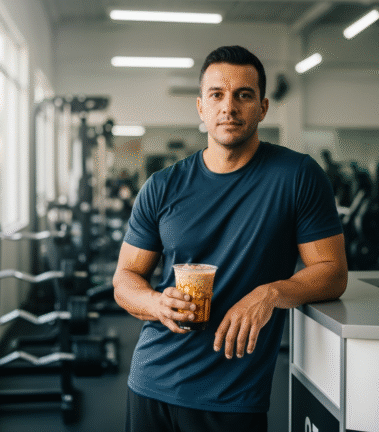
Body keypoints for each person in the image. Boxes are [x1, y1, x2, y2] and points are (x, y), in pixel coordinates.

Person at [112, 45, 348, 432]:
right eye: (217, 95)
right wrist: (157, 303)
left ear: (263, 107)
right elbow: (125, 279)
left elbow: (333, 273)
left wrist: (268, 294)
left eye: (244, 95)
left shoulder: (297, 177)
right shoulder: (162, 186)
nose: (230, 107)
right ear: (201, 107)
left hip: (232, 397)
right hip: (151, 382)